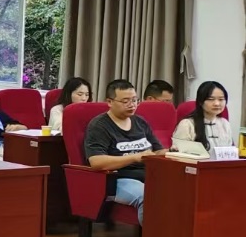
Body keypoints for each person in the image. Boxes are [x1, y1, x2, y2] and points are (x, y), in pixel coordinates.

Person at [83, 79, 164, 223]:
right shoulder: (99, 126)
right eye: (125, 101)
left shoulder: (140, 122)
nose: (132, 104)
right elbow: (96, 162)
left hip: (148, 174)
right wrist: (134, 157)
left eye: (135, 100)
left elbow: (158, 151)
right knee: (148, 196)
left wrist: (173, 151)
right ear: (109, 102)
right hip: (118, 178)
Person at [172, 81, 232, 151]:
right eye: (211, 99)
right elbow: (180, 153)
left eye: (221, 99)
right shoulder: (187, 124)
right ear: (200, 101)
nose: (217, 103)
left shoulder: (225, 123)